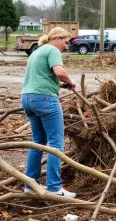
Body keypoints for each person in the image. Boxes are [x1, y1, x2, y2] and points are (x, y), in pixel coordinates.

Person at [21, 27, 77, 198]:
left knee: (37, 142)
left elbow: (41, 78)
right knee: (56, 143)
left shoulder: (37, 52)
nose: (66, 47)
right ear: (58, 38)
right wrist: (71, 80)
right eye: (66, 42)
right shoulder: (52, 50)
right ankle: (54, 188)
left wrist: (62, 85)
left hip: (27, 99)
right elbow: (59, 71)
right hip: (45, 100)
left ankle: (30, 184)